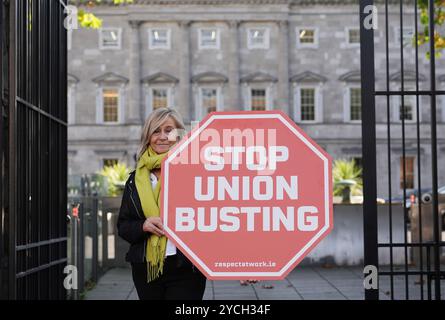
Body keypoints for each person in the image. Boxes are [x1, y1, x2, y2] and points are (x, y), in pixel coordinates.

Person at [117, 107, 207, 300]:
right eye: (156, 131)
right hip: (146, 269)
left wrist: (238, 265)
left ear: (179, 134)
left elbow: (218, 222)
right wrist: (143, 225)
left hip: (187, 269)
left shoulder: (196, 173)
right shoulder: (135, 180)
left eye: (169, 130)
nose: (162, 137)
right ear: (148, 136)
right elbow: (123, 226)